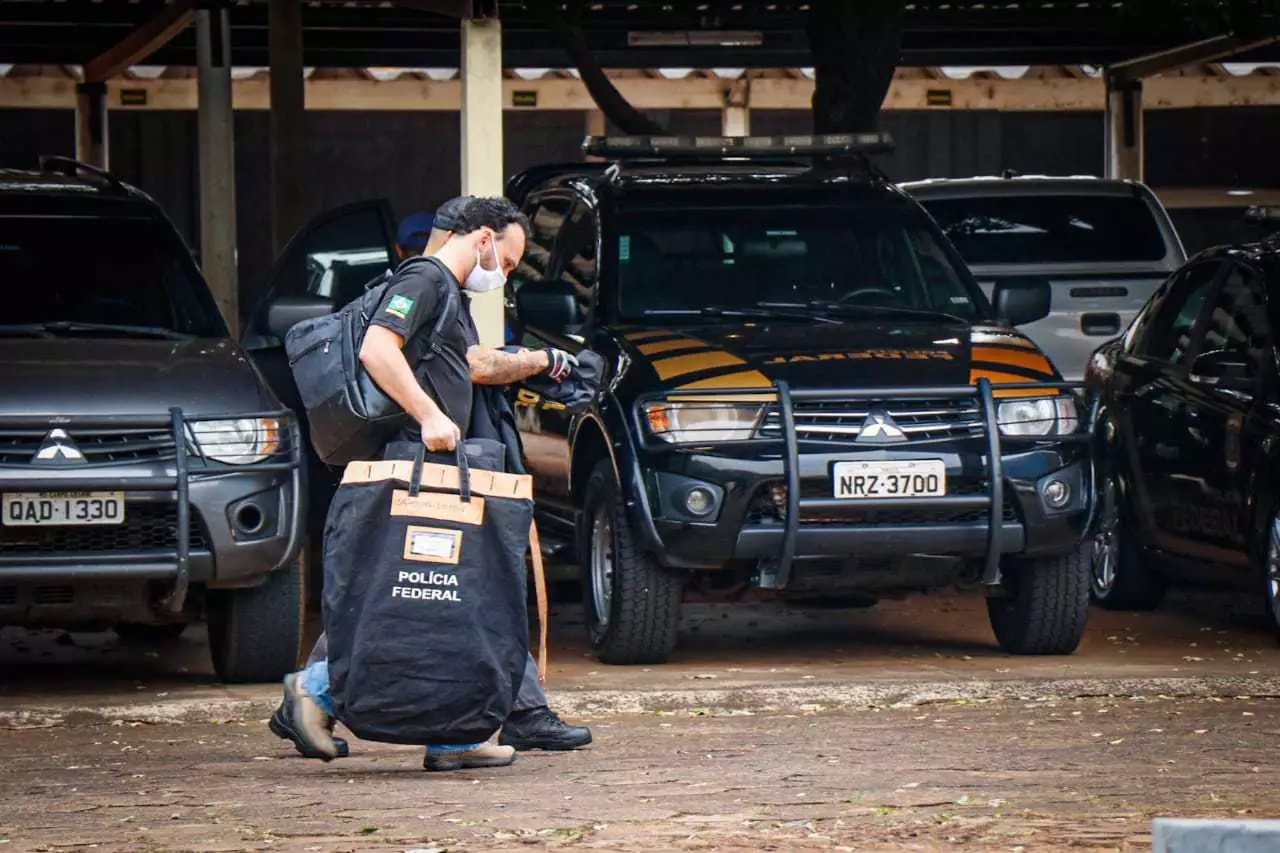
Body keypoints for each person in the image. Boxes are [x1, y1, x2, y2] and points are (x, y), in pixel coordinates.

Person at [271, 197, 589, 771]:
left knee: (453, 595)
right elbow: (376, 348)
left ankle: (456, 734)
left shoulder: (447, 292)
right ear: (484, 238)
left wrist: (534, 362)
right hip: (424, 458)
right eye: (510, 263)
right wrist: (428, 415)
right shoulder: (426, 277)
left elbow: (466, 364)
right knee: (408, 594)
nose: (506, 275)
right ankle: (315, 690)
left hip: (439, 460)